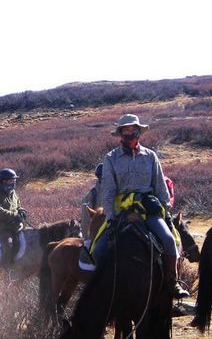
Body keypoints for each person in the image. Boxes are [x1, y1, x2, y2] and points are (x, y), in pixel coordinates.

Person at [94, 114, 187, 298]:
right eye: (126, 130)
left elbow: (160, 186)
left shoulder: (150, 156)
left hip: (148, 210)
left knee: (169, 241)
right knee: (98, 250)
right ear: (120, 134)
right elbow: (108, 191)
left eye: (133, 130)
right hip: (123, 211)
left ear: (139, 132)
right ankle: (104, 289)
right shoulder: (111, 158)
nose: (130, 133)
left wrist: (164, 210)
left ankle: (173, 282)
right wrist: (111, 217)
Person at [0, 168, 26, 267]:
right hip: (2, 227)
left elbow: (18, 206)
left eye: (14, 180)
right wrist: (14, 215)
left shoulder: (13, 193)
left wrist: (22, 211)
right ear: (4, 181)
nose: (14, 182)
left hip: (16, 226)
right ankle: (5, 269)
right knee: (8, 244)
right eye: (11, 180)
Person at [80, 163, 103, 240]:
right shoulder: (92, 194)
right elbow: (85, 219)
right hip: (98, 232)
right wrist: (87, 238)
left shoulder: (116, 191)